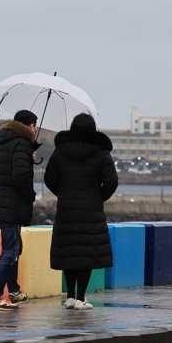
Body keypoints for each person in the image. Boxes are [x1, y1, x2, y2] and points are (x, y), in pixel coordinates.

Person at [44, 113, 118, 310]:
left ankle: (69, 296)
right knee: (86, 254)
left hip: (66, 209)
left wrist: (63, 193)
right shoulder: (101, 153)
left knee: (69, 252)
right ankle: (81, 298)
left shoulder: (60, 151)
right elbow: (112, 181)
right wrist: (98, 196)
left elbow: (49, 178)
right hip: (91, 211)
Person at [0, 109, 39, 310]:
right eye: (34, 125)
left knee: (16, 247)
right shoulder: (21, 144)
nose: (35, 129)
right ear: (30, 125)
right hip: (12, 203)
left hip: (1, 202)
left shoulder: (1, 143)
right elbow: (21, 177)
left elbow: (8, 169)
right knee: (10, 250)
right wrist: (31, 196)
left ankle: (14, 291)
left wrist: (29, 158)